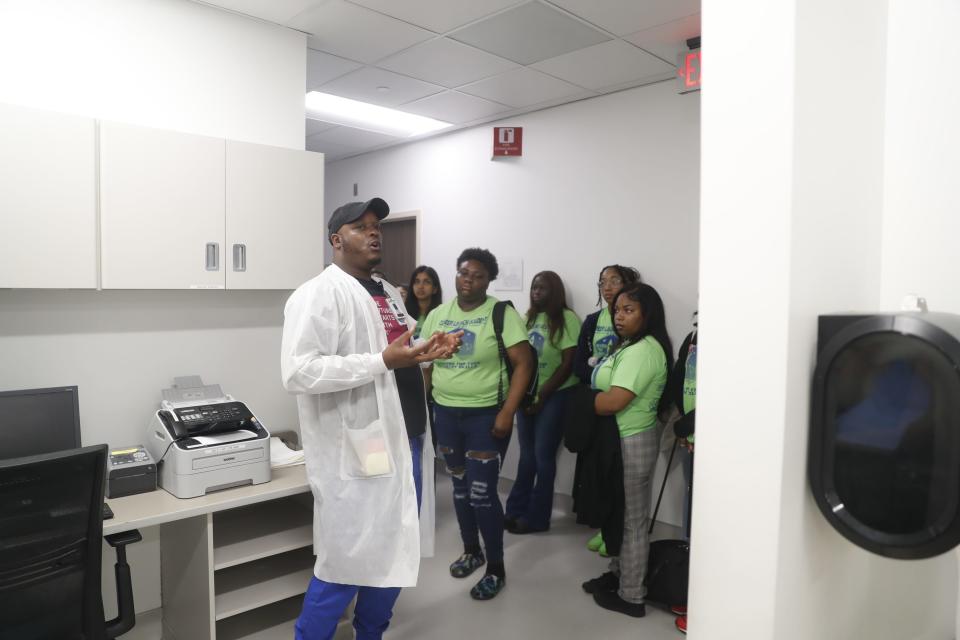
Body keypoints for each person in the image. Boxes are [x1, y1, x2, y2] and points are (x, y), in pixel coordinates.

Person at [281, 197, 461, 640]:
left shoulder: (387, 293)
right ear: (336, 240)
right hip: (367, 441)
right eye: (361, 226)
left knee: (397, 544)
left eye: (376, 225)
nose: (374, 231)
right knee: (352, 553)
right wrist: (383, 359)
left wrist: (424, 355)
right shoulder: (317, 294)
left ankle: (371, 633)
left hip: (409, 436)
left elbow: (396, 359)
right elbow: (299, 371)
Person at [418, 247, 534, 601]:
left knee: (483, 495)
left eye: (478, 275)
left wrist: (507, 412)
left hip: (485, 415)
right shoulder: (439, 314)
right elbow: (427, 363)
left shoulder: (501, 314)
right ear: (455, 274)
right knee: (460, 489)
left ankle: (496, 567)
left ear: (489, 280)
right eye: (464, 273)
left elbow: (525, 365)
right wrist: (423, 409)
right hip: (446, 414)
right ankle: (472, 550)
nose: (469, 280)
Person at [586, 283, 672, 618]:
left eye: (629, 310)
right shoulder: (631, 345)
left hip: (631, 439)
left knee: (633, 521)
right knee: (620, 516)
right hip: (620, 439)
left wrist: (581, 403)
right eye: (617, 310)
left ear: (646, 315)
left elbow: (615, 401)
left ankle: (632, 595)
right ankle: (619, 575)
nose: (619, 316)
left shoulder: (643, 350)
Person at [504, 271, 581, 534]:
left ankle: (537, 518)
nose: (536, 292)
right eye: (534, 287)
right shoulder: (529, 318)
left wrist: (543, 395)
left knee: (542, 457)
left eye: (543, 288)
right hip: (529, 394)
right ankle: (515, 510)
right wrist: (526, 394)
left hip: (555, 395)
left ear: (555, 292)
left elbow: (569, 362)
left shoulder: (568, 319)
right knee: (526, 456)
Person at [573, 265, 641, 555]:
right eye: (603, 282)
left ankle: (612, 531)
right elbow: (579, 364)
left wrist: (608, 380)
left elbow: (627, 371)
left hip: (620, 406)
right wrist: (599, 378)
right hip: (595, 405)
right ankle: (602, 526)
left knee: (618, 478)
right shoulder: (592, 320)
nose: (608, 286)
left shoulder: (636, 327)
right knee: (596, 474)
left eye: (615, 280)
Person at [405, 265, 443, 340]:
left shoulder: (441, 314)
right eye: (417, 282)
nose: (420, 286)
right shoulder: (404, 313)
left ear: (435, 288)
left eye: (426, 282)